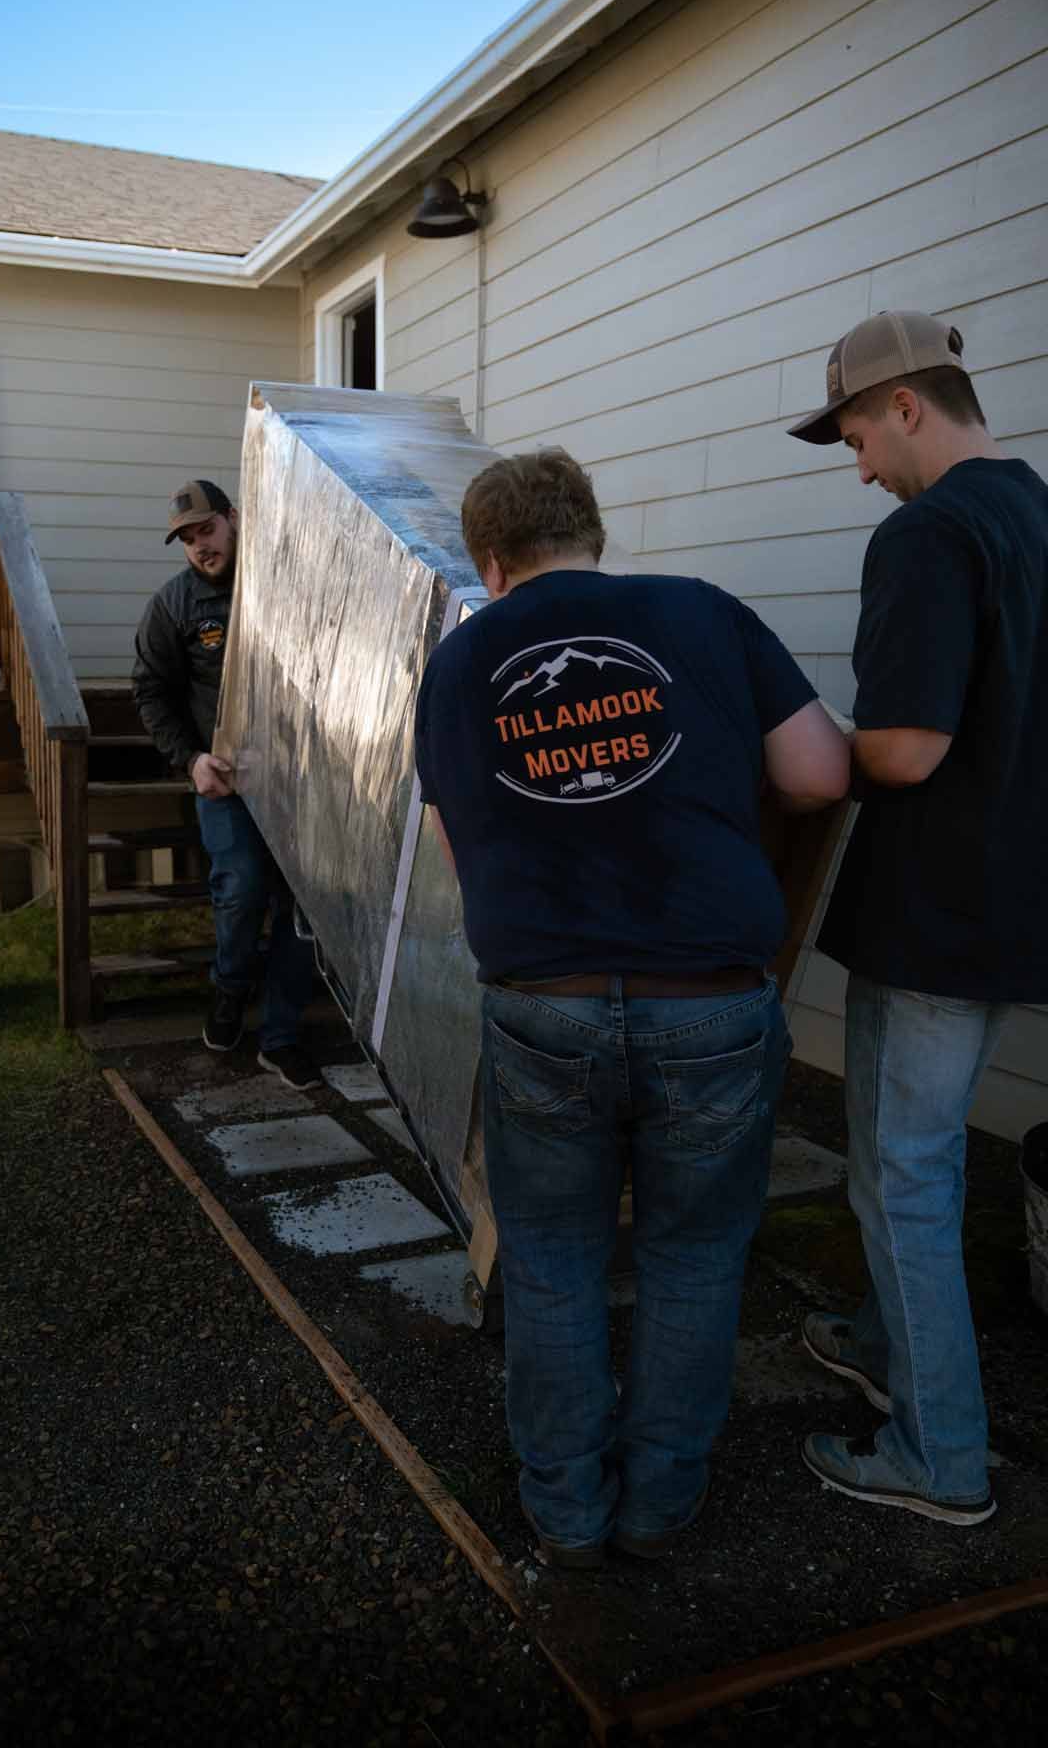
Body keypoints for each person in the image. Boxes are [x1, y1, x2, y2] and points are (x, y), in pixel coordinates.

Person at [414, 448, 848, 1566]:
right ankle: (661, 1504)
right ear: (591, 535)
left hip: (541, 1001)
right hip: (708, 998)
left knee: (554, 1261)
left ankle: (564, 1509)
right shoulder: (703, 615)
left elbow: (460, 843)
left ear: (494, 562)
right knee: (693, 1259)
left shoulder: (462, 661)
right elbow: (816, 777)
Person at [787, 310, 1048, 1525]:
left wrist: (792, 747)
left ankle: (940, 1459)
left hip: (937, 911)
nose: (859, 470)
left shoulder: (928, 533)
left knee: (906, 1180)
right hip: (1013, 910)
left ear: (905, 403)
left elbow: (901, 747)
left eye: (855, 437)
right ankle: (889, 1351)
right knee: (911, 1167)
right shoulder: (1037, 512)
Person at [131, 478, 320, 1089]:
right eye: (186, 539)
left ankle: (282, 1038)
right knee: (240, 889)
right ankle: (230, 991)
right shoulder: (173, 606)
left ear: (233, 518)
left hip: (295, 777)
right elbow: (151, 690)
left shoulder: (281, 586)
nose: (199, 547)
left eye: (206, 530)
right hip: (225, 780)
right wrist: (190, 761)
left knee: (300, 907)